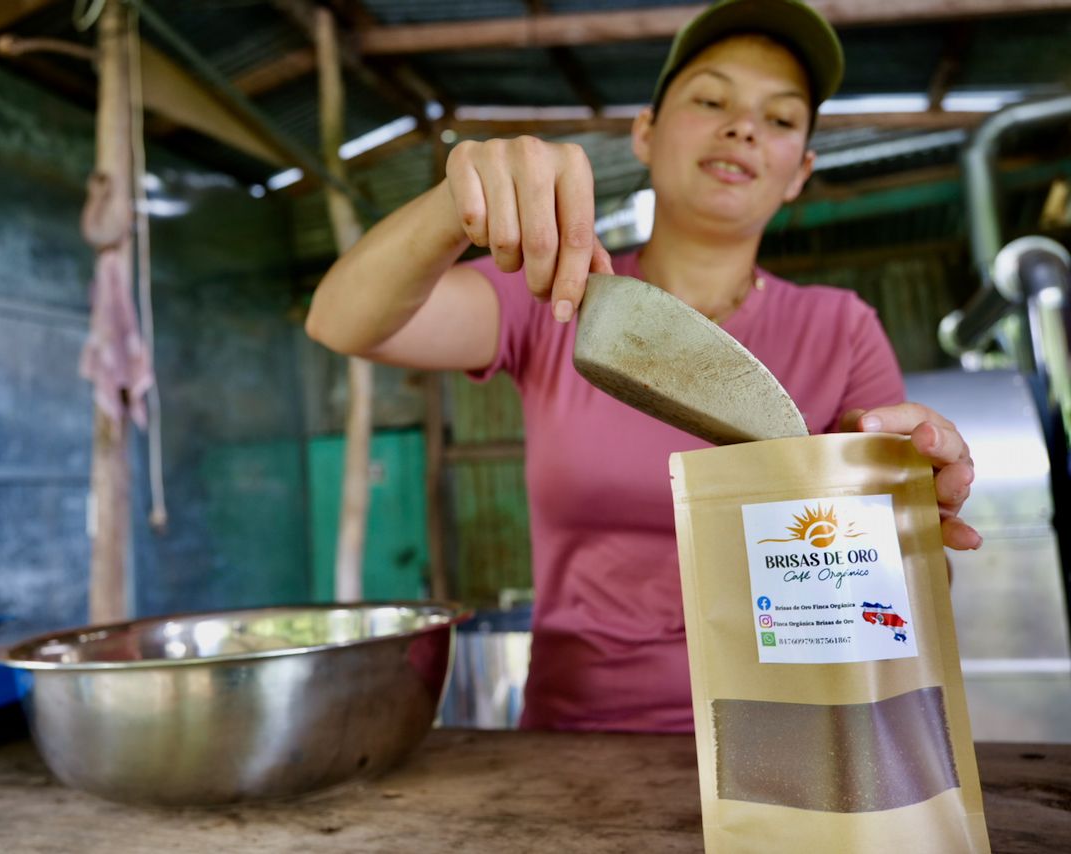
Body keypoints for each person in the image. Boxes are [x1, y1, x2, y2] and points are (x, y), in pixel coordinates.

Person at [305, 0, 980, 732]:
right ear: (645, 135)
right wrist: (454, 201)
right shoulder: (559, 294)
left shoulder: (841, 328)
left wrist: (902, 517)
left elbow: (911, 592)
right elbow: (341, 318)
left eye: (780, 119)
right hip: (577, 749)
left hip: (794, 745)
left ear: (799, 172)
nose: (743, 127)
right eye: (711, 100)